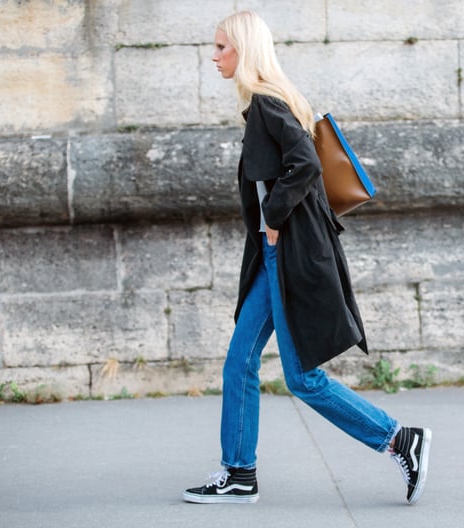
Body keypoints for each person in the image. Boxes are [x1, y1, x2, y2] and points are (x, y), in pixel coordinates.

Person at [182, 11, 431, 506]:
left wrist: (272, 219)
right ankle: (239, 474)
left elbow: (306, 164)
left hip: (286, 254)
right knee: (240, 362)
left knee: (302, 378)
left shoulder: (267, 105)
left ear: (245, 51)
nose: (214, 57)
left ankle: (398, 438)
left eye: (222, 48)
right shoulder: (267, 103)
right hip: (276, 255)